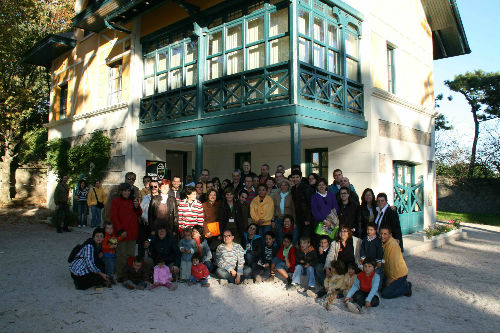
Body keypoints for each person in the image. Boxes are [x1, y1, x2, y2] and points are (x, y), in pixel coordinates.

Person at [110, 183, 142, 281]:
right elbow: (114, 217)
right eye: (125, 191)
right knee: (121, 255)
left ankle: (129, 273)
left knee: (130, 255)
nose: (127, 193)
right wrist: (120, 230)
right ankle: (120, 275)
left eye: (128, 191)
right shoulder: (115, 202)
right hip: (122, 233)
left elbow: (139, 213)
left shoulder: (133, 200)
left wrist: (137, 206)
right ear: (121, 191)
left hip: (132, 232)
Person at [380, 226, 412, 299]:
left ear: (390, 235)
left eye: (385, 234)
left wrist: (391, 279)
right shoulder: (384, 243)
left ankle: (406, 288)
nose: (382, 236)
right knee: (381, 289)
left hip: (399, 275)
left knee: (385, 294)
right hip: (389, 273)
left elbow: (393, 265)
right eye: (381, 233)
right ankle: (401, 284)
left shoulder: (392, 245)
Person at [311, 178, 338, 244]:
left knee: (330, 241)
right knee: (320, 242)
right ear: (317, 187)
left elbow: (335, 207)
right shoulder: (314, 197)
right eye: (319, 185)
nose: (321, 186)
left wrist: (331, 220)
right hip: (320, 223)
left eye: (323, 184)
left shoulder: (331, 195)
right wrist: (324, 221)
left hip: (331, 223)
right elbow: (315, 210)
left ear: (326, 186)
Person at [138, 180, 157, 258]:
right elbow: (141, 210)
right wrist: (144, 218)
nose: (153, 188)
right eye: (151, 186)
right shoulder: (145, 198)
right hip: (146, 224)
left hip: (156, 226)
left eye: (155, 186)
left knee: (154, 245)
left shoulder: (161, 198)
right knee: (142, 244)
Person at [290, 170, 313, 237]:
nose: (295, 179)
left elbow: (310, 204)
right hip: (297, 217)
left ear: (301, 178)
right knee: (299, 236)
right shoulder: (293, 189)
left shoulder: (307, 188)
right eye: (293, 177)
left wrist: (308, 219)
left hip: (305, 217)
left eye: (297, 177)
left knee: (305, 237)